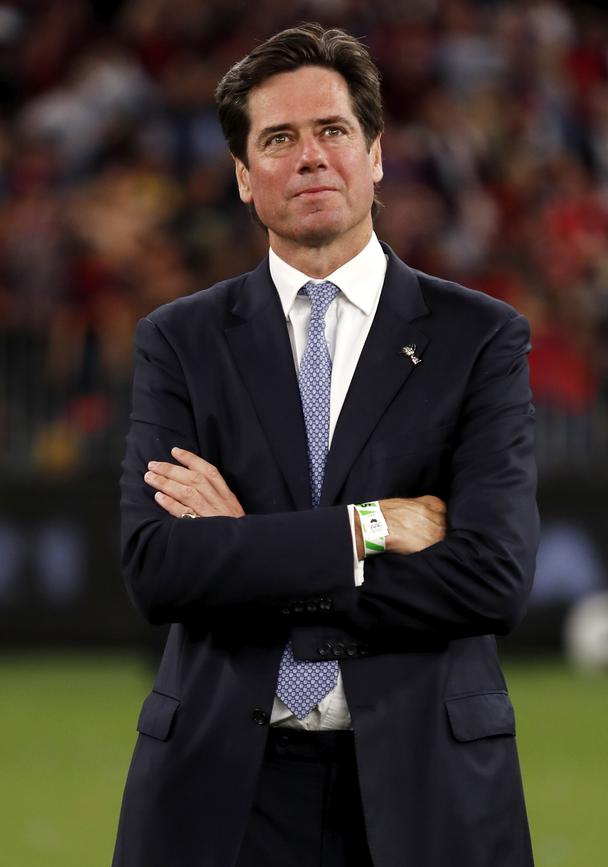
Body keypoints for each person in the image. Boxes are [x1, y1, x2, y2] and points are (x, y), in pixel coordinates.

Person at [112, 23, 539, 867]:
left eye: (332, 131)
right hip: (220, 790)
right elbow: (158, 567)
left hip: (428, 789)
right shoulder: (180, 341)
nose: (310, 156)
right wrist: (365, 530)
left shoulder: (478, 338)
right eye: (278, 139)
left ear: (375, 155)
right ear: (243, 177)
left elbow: (493, 578)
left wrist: (247, 548)